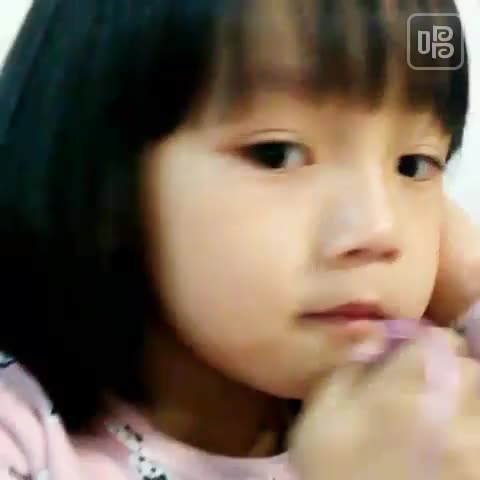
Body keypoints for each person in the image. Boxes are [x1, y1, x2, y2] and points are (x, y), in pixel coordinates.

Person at [0, 0, 477, 479]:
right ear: (98, 169)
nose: (379, 230)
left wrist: (471, 284)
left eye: (414, 165)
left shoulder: (430, 411)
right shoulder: (19, 431)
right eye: (277, 154)